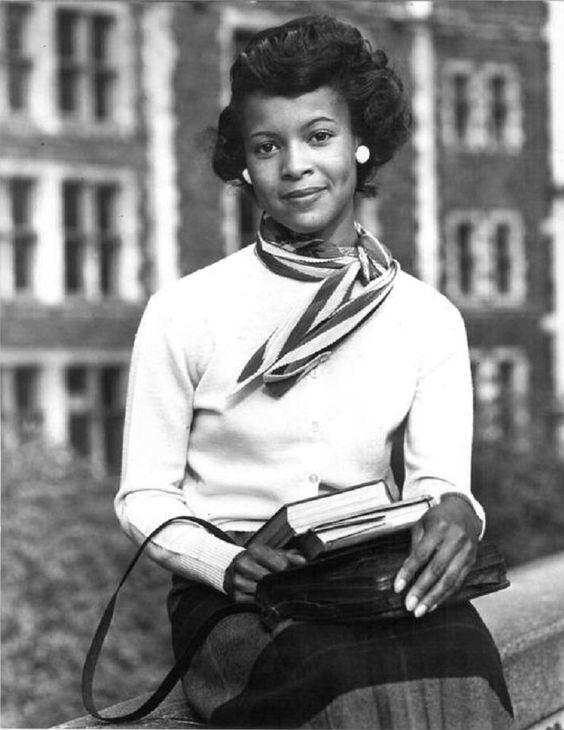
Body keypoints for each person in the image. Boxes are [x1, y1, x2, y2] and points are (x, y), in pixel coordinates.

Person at [115, 15, 513, 729]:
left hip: (366, 574)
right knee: (339, 679)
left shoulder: (426, 317)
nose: (295, 164)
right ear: (244, 163)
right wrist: (219, 562)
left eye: (319, 136)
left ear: (361, 145)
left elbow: (439, 485)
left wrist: (458, 511)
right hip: (238, 594)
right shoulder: (185, 311)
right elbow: (143, 494)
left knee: (466, 660)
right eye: (268, 146)